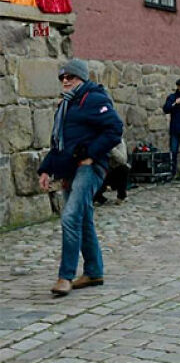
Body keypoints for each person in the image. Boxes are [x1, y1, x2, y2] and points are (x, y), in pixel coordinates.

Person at [37, 58, 124, 297]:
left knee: (71, 216)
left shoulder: (93, 98)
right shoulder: (66, 104)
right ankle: (94, 271)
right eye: (63, 77)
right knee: (83, 219)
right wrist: (46, 169)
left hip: (89, 168)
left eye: (71, 77)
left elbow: (115, 129)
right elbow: (58, 145)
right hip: (69, 170)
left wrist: (90, 154)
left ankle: (65, 277)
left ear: (82, 79)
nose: (66, 81)